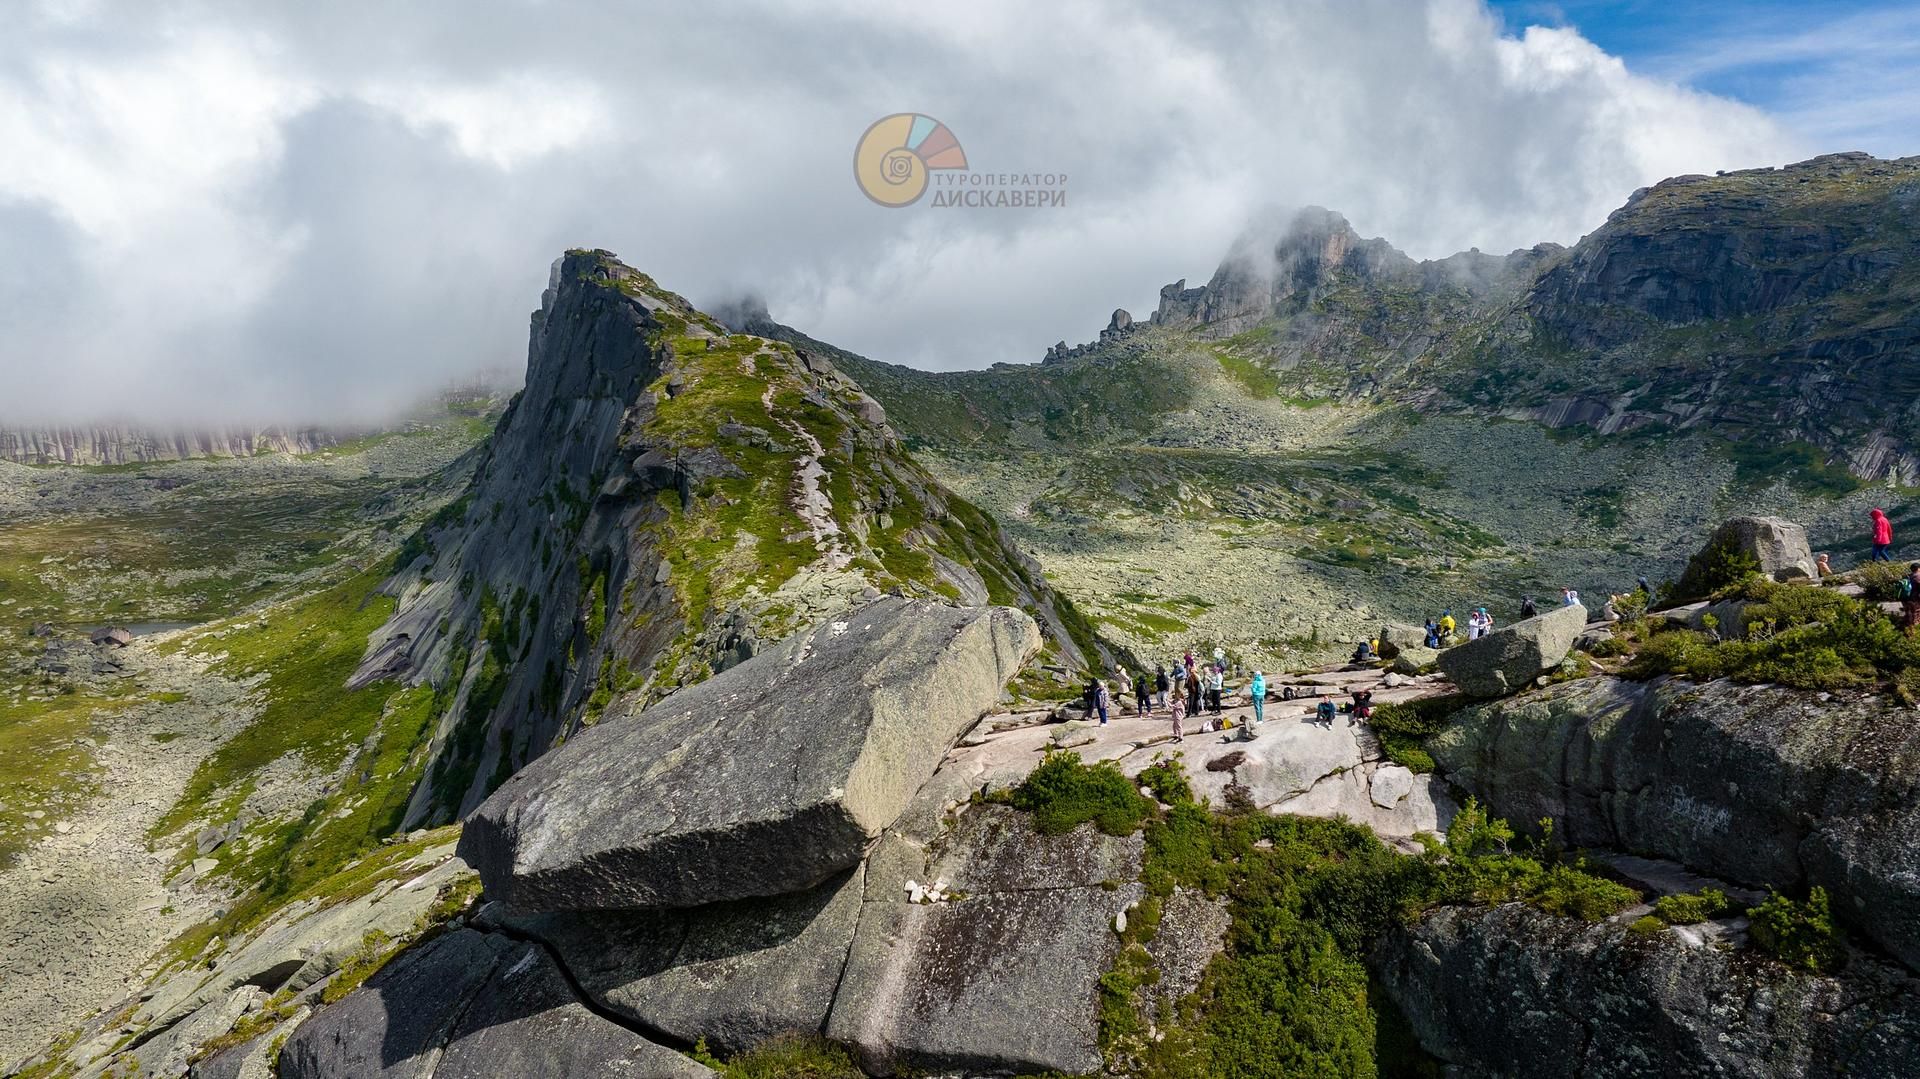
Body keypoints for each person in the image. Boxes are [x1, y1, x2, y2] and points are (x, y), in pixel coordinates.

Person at [1902, 564, 1920, 631]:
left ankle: (1905, 628)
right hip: (1914, 600)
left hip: (1905, 599)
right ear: (1918, 568)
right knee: (1915, 615)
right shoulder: (1918, 576)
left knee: (1908, 614)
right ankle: (1912, 633)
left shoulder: (1907, 576)